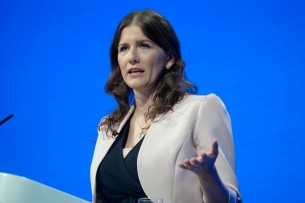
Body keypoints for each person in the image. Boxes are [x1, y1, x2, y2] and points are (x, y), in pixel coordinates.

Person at [90, 9, 242, 203]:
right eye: (124, 48)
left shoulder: (199, 109)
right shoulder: (108, 126)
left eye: (144, 46)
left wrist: (208, 176)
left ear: (170, 58)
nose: (132, 57)